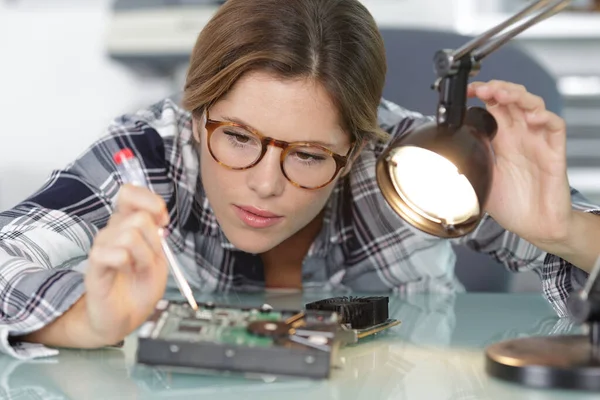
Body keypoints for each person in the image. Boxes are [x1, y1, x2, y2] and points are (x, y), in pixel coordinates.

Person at [0, 0, 599, 360]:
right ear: (197, 111)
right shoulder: (150, 150)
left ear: (359, 145)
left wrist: (567, 231)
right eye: (236, 137)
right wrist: (88, 322)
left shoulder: (411, 162)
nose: (265, 185)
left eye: (310, 155)